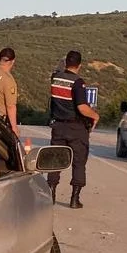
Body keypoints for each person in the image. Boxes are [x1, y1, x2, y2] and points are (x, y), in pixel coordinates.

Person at [48, 50, 99, 208]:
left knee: (55, 160)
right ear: (80, 65)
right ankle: (74, 199)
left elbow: (57, 71)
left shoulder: (55, 78)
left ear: (66, 63)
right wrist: (95, 116)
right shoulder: (78, 82)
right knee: (78, 162)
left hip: (58, 126)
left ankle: (51, 194)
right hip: (76, 128)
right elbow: (82, 108)